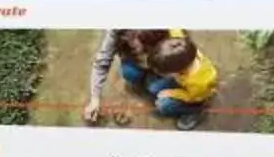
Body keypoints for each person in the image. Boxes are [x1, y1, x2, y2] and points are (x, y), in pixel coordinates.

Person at [84, 28, 218, 129]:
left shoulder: (200, 82)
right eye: (129, 39)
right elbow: (101, 62)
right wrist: (95, 98)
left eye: (140, 42)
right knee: (151, 86)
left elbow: (193, 95)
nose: (134, 45)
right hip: (180, 77)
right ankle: (157, 82)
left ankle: (195, 111)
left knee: (163, 105)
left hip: (194, 94)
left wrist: (172, 93)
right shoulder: (176, 40)